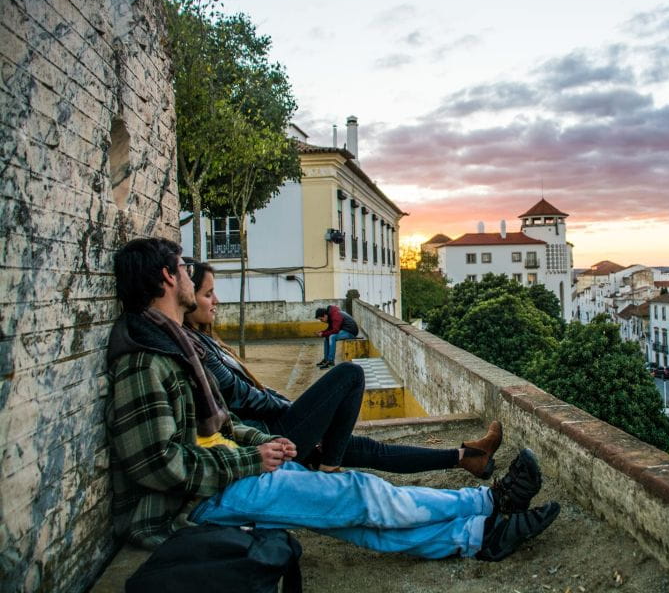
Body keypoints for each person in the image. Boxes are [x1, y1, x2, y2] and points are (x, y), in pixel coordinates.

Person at [105, 238, 560, 561]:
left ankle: (479, 535)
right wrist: (251, 458)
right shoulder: (147, 361)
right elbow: (159, 466)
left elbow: (220, 424)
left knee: (354, 519)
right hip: (199, 499)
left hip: (234, 467)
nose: (191, 275)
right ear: (168, 277)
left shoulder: (175, 344)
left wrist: (255, 443)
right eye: (185, 268)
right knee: (357, 494)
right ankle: (486, 504)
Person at [184, 261, 501, 478]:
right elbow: (246, 400)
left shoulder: (203, 341)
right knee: (350, 374)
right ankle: (330, 468)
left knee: (369, 449)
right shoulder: (196, 349)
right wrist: (298, 408)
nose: (217, 301)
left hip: (274, 427)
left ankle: (468, 458)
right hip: (270, 436)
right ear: (187, 298)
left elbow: (252, 395)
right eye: (208, 294)